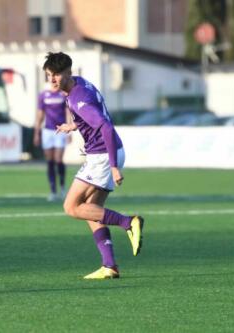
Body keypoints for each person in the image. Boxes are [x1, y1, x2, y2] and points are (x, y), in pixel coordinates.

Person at [43, 52, 145, 279]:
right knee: (92, 211)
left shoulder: (78, 99)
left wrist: (114, 167)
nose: (52, 80)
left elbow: (105, 127)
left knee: (71, 206)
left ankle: (129, 222)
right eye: (49, 75)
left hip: (102, 157)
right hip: (110, 153)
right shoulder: (77, 86)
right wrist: (74, 125)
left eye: (56, 75)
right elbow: (89, 116)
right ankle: (109, 265)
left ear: (68, 72)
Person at [33, 86, 71, 201]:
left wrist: (69, 130)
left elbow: (68, 111)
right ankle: (53, 191)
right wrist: (37, 132)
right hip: (47, 131)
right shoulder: (43, 95)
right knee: (50, 161)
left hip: (61, 130)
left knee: (59, 159)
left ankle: (63, 188)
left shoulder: (63, 94)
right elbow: (40, 114)